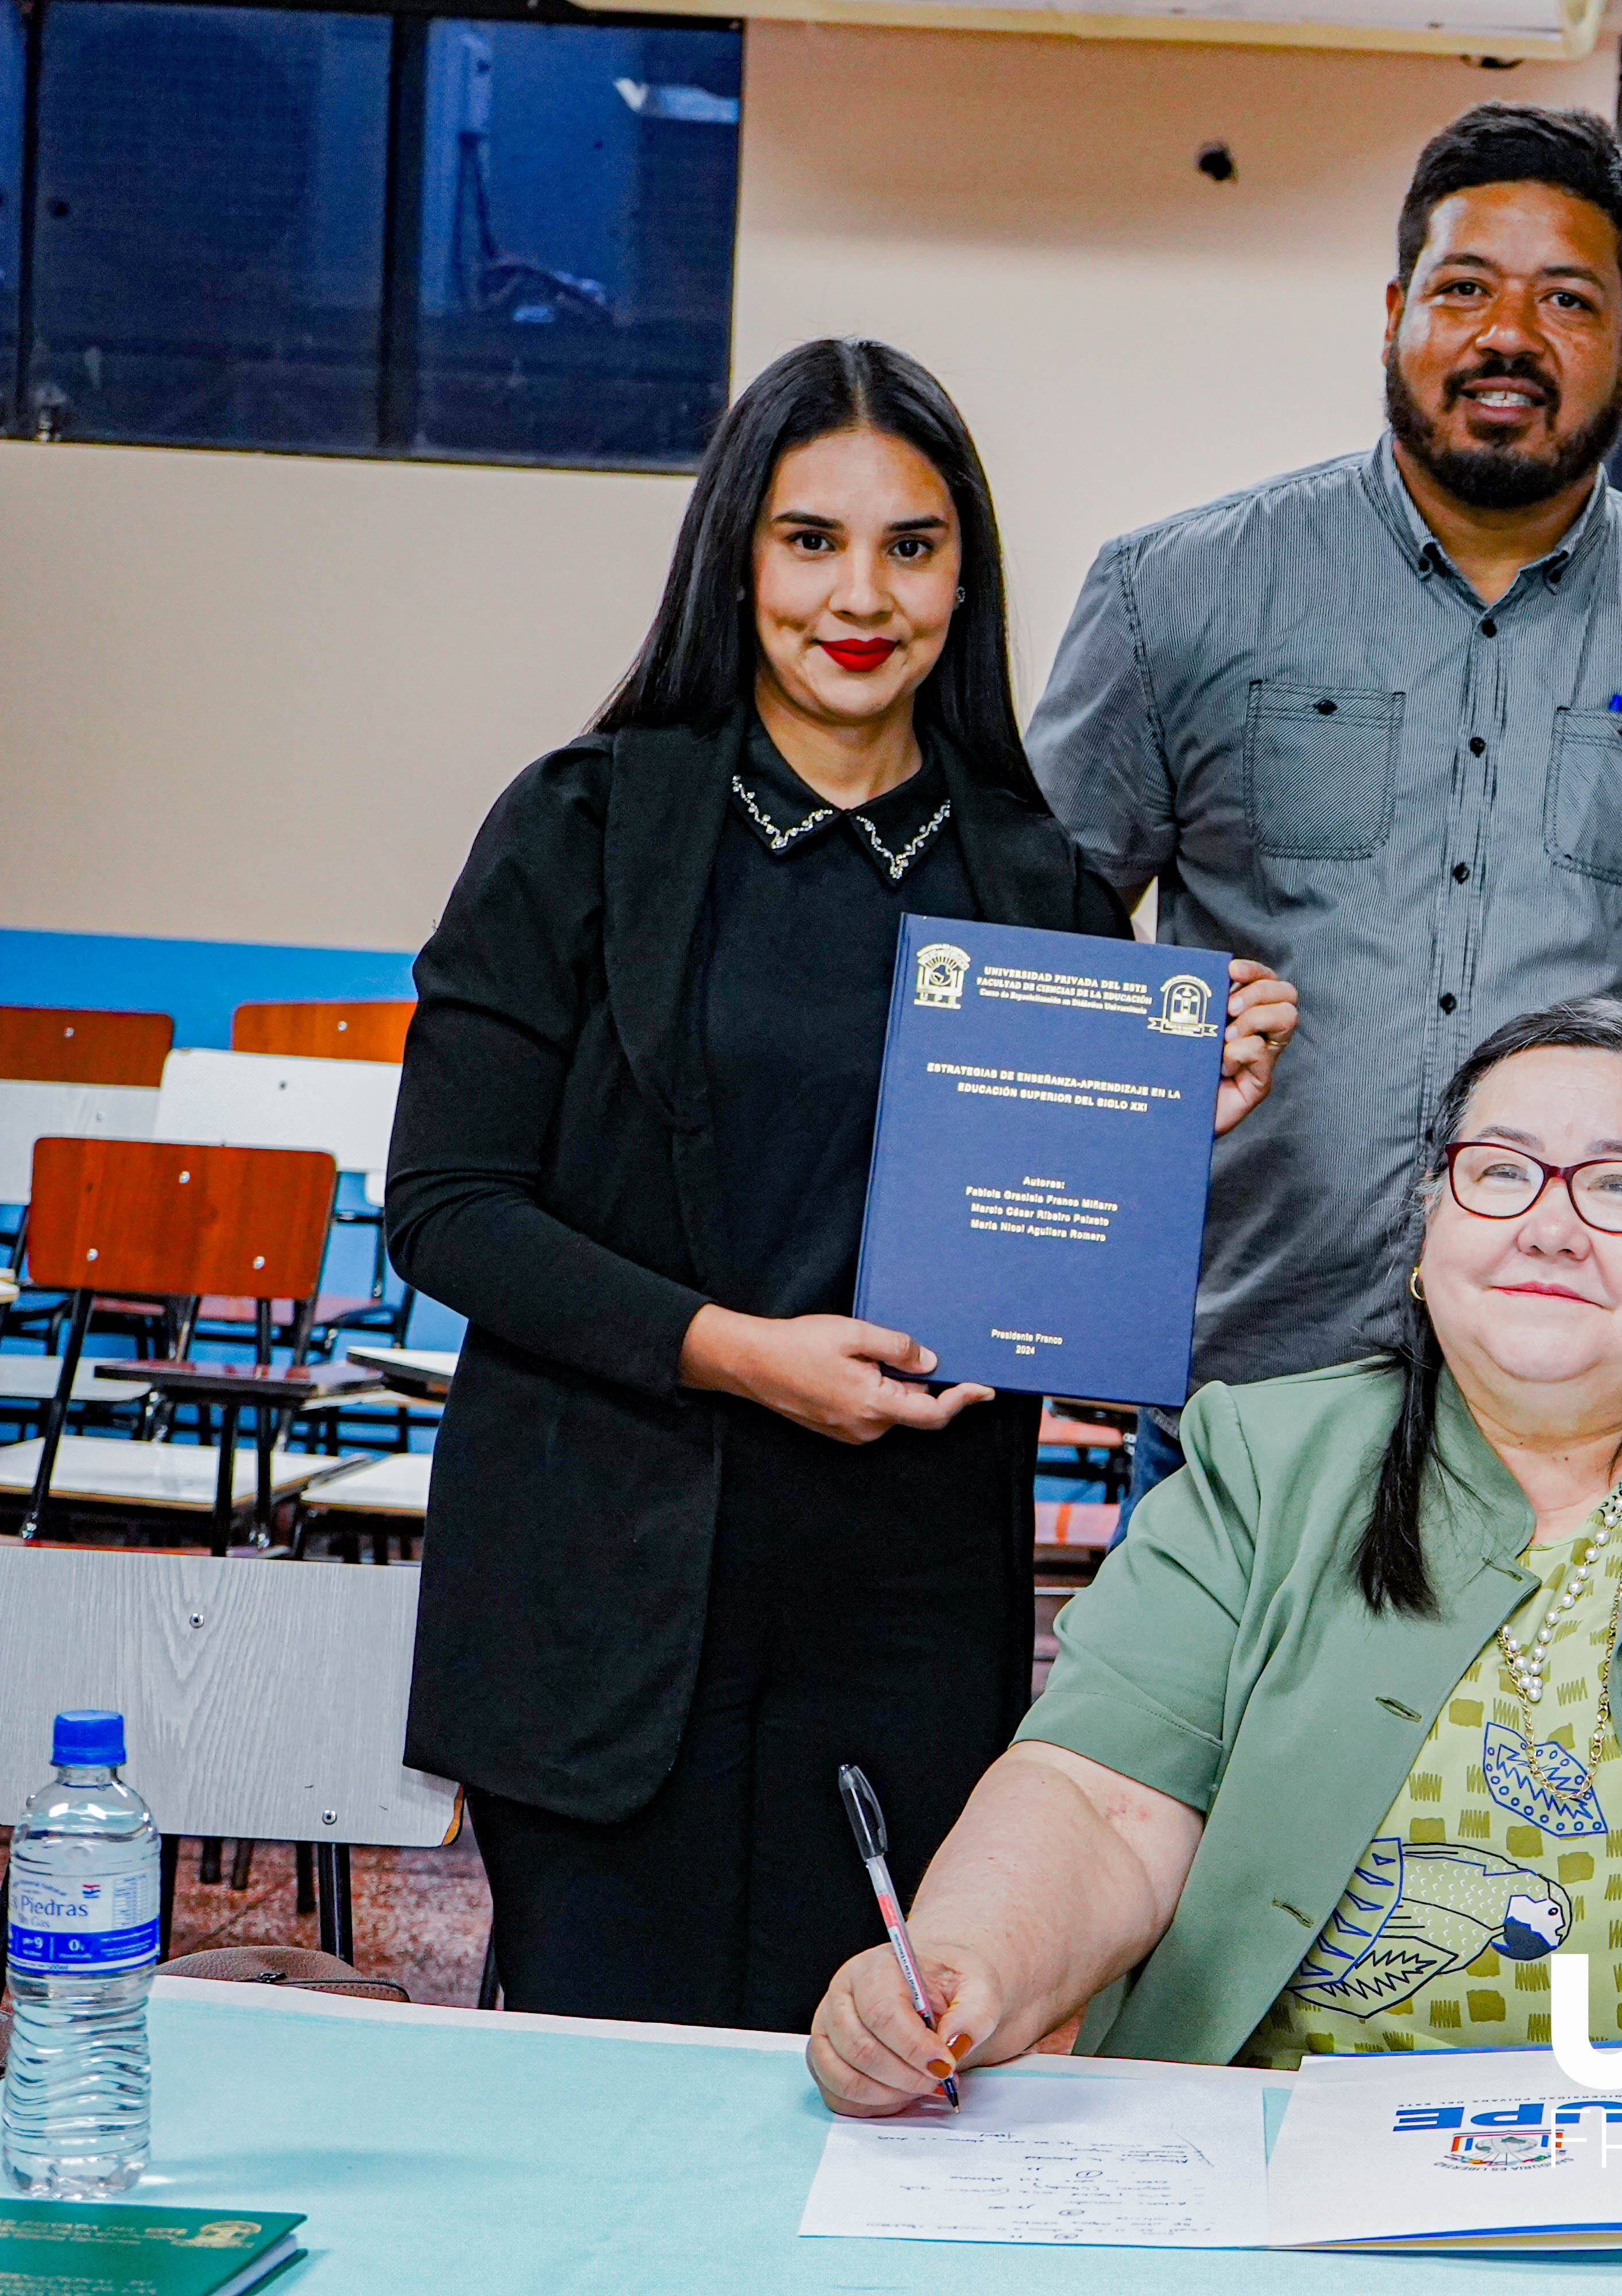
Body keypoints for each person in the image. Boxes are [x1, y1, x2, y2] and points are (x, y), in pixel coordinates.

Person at [807, 998, 1622, 2214]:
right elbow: (1102, 1799)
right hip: (1275, 2163)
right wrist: (961, 1964)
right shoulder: (1266, 1457)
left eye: (1621, 1185)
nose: (1552, 1224)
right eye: (1501, 1172)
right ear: (1427, 1237)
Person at [386, 338, 1300, 2030]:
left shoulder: (1038, 881)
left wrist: (1177, 1123)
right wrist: (740, 1352)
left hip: (905, 1609)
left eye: (912, 545)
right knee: (608, 2089)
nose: (861, 595)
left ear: (966, 574)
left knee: (866, 2086)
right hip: (605, 1599)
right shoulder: (580, 825)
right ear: (737, 558)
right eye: (811, 540)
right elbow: (448, 1206)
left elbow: (1050, 1254)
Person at [1028, 103, 1622, 1393]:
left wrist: (1607, 1164)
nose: (1507, 336)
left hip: (1602, 1408)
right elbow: (1043, 953)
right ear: (1394, 314)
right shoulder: (1175, 598)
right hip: (1244, 1380)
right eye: (1464, 287)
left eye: (1567, 301)